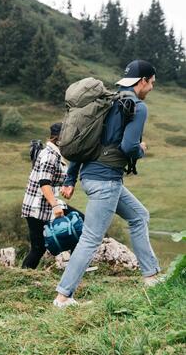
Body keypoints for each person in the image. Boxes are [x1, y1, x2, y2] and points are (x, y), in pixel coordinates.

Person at [53, 60, 162, 307]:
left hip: (93, 178)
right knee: (91, 238)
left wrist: (71, 178)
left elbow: (85, 144)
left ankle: (151, 276)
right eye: (152, 82)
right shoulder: (136, 106)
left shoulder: (107, 102)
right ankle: (63, 296)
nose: (152, 88)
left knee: (139, 216)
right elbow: (128, 147)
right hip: (106, 182)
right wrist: (141, 149)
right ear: (142, 81)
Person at [21, 123, 84, 269]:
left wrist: (64, 188)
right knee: (38, 248)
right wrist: (55, 205)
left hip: (47, 203)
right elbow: (44, 183)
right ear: (60, 139)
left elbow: (50, 180)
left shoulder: (55, 153)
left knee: (81, 226)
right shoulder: (49, 155)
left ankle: (75, 268)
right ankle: (23, 276)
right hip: (37, 207)